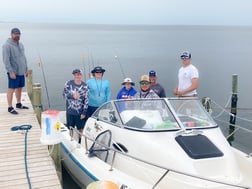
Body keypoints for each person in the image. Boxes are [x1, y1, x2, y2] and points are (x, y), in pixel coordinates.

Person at [2, 28, 29, 114]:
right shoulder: (6, 45)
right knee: (11, 89)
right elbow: (6, 60)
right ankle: (10, 107)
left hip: (21, 71)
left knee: (20, 88)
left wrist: (26, 68)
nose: (17, 35)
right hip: (13, 72)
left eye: (18, 34)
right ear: (11, 34)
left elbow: (23, 58)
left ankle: (18, 103)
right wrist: (11, 71)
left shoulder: (20, 45)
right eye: (15, 34)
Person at [63, 69, 89, 145]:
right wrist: (72, 96)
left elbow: (86, 100)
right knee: (70, 127)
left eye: (78, 74)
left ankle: (80, 142)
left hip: (80, 112)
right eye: (75, 74)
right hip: (70, 112)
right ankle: (70, 141)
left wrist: (84, 112)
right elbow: (64, 94)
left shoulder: (85, 86)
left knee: (81, 128)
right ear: (73, 75)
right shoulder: (68, 83)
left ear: (81, 75)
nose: (77, 76)